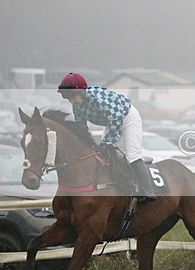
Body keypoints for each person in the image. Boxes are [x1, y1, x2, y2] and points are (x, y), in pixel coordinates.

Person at [57, 72, 156, 202]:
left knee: (132, 155)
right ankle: (121, 183)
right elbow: (82, 128)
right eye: (68, 98)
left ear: (81, 92)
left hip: (127, 117)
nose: (71, 101)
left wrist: (103, 145)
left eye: (72, 97)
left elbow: (117, 122)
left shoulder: (99, 98)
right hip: (111, 121)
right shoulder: (77, 106)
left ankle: (148, 191)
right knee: (104, 153)